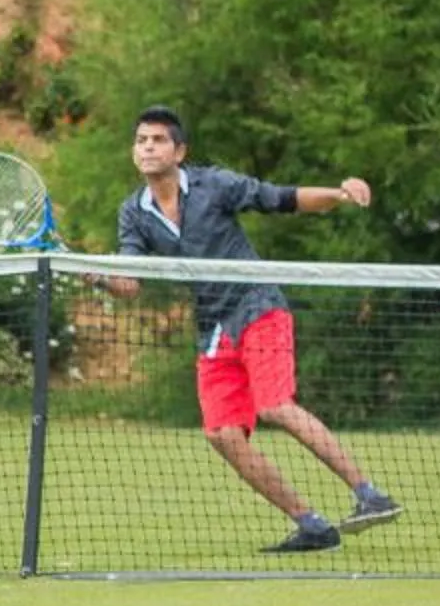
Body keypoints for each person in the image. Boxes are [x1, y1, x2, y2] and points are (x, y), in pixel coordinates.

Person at [109, 105, 401, 553]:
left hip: (257, 305)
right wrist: (98, 275)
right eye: (141, 140)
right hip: (212, 326)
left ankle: (369, 494)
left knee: (275, 405)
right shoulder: (134, 211)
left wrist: (339, 195)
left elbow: (282, 198)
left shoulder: (215, 185)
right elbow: (129, 280)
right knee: (222, 435)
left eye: (158, 140)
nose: (147, 147)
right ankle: (312, 526)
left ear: (179, 151)